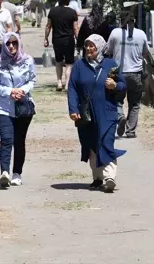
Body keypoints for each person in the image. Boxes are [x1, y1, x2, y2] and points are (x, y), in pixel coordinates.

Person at [67, 34, 126, 192]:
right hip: (86, 113)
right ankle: (98, 177)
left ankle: (109, 177)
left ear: (99, 47)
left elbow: (122, 86)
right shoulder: (80, 66)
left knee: (106, 142)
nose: (88, 49)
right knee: (91, 144)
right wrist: (73, 109)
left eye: (92, 46)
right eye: (86, 45)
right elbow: (72, 88)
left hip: (107, 111)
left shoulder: (110, 65)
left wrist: (115, 85)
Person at [0, 32, 37, 188]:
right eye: (8, 43)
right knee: (6, 140)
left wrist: (22, 90)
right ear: (4, 45)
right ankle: (5, 172)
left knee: (19, 141)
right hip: (3, 107)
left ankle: (17, 173)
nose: (11, 46)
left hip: (23, 106)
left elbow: (32, 79)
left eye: (14, 43)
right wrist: (10, 91)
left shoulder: (28, 60)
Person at [106, 8, 150, 138]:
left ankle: (120, 117)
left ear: (120, 20)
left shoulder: (115, 33)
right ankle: (130, 131)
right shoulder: (141, 34)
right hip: (135, 73)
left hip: (116, 72)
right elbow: (145, 52)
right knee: (134, 103)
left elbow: (108, 51)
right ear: (134, 20)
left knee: (116, 100)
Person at [44, 0, 79, 91]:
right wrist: (79, 40)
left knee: (58, 61)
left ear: (59, 0)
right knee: (69, 63)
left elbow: (48, 26)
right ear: (68, 1)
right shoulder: (72, 12)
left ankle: (59, 83)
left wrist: (46, 38)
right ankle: (67, 84)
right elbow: (75, 29)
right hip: (69, 40)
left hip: (57, 39)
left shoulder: (53, 11)